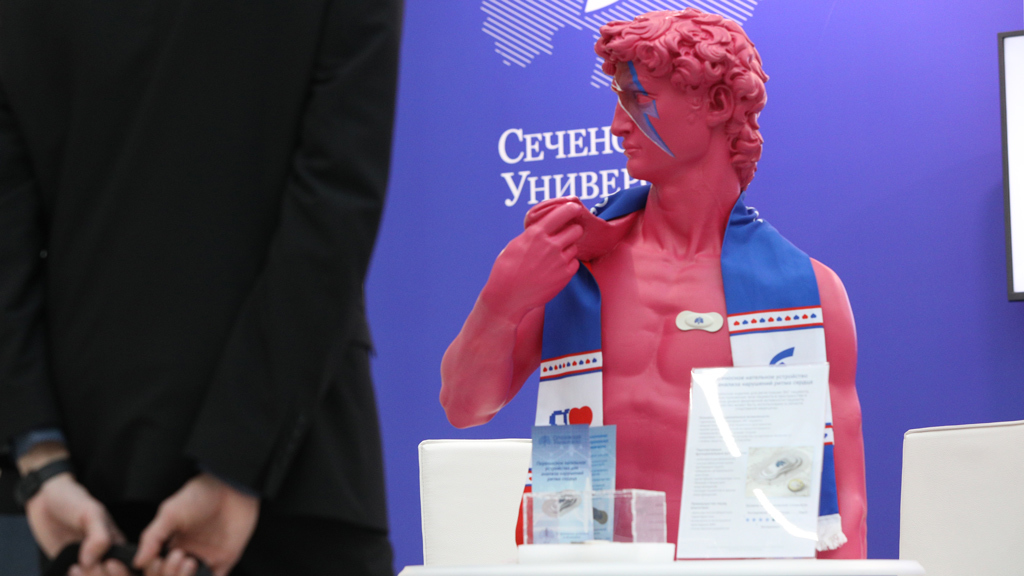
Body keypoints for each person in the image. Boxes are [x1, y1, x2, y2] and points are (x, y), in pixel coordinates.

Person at [441, 9, 867, 558]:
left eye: (639, 100)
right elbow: (464, 407)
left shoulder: (809, 293)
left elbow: (843, 506)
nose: (617, 126)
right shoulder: (575, 266)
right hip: (581, 567)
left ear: (717, 104)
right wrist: (500, 303)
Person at [0, 1, 401, 575]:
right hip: (294, 475)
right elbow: (336, 205)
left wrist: (40, 459)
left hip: (92, 499)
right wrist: (238, 460)